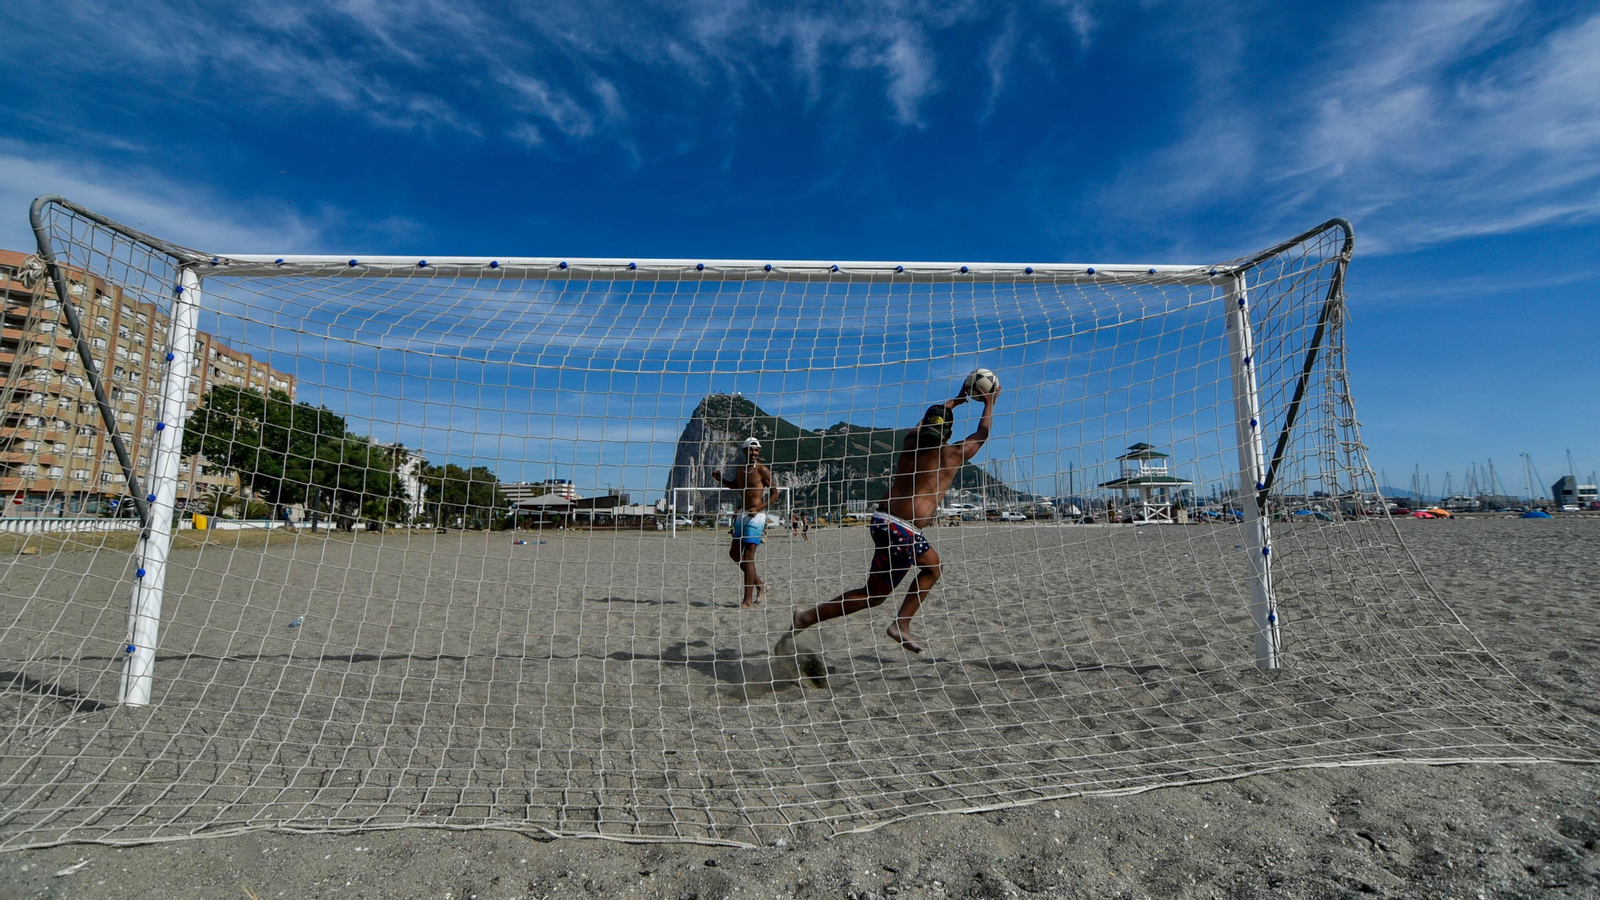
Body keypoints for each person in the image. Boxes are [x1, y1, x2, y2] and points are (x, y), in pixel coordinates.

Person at [790, 380, 998, 652]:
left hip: (882, 520)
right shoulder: (951, 454)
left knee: (931, 568)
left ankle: (894, 623)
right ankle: (814, 618)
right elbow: (981, 434)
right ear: (948, 432)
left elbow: (927, 420)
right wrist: (990, 403)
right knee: (876, 594)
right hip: (903, 531)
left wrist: (954, 401)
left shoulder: (911, 440)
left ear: (925, 424)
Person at [712, 437, 774, 608]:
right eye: (751, 449)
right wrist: (721, 480)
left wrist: (759, 508)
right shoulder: (740, 469)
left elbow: (775, 493)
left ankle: (747, 601)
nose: (754, 452)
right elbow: (736, 486)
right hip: (742, 515)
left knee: (748, 557)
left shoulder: (762, 469)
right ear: (744, 451)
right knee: (734, 554)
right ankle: (760, 584)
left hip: (756, 516)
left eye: (757, 450)